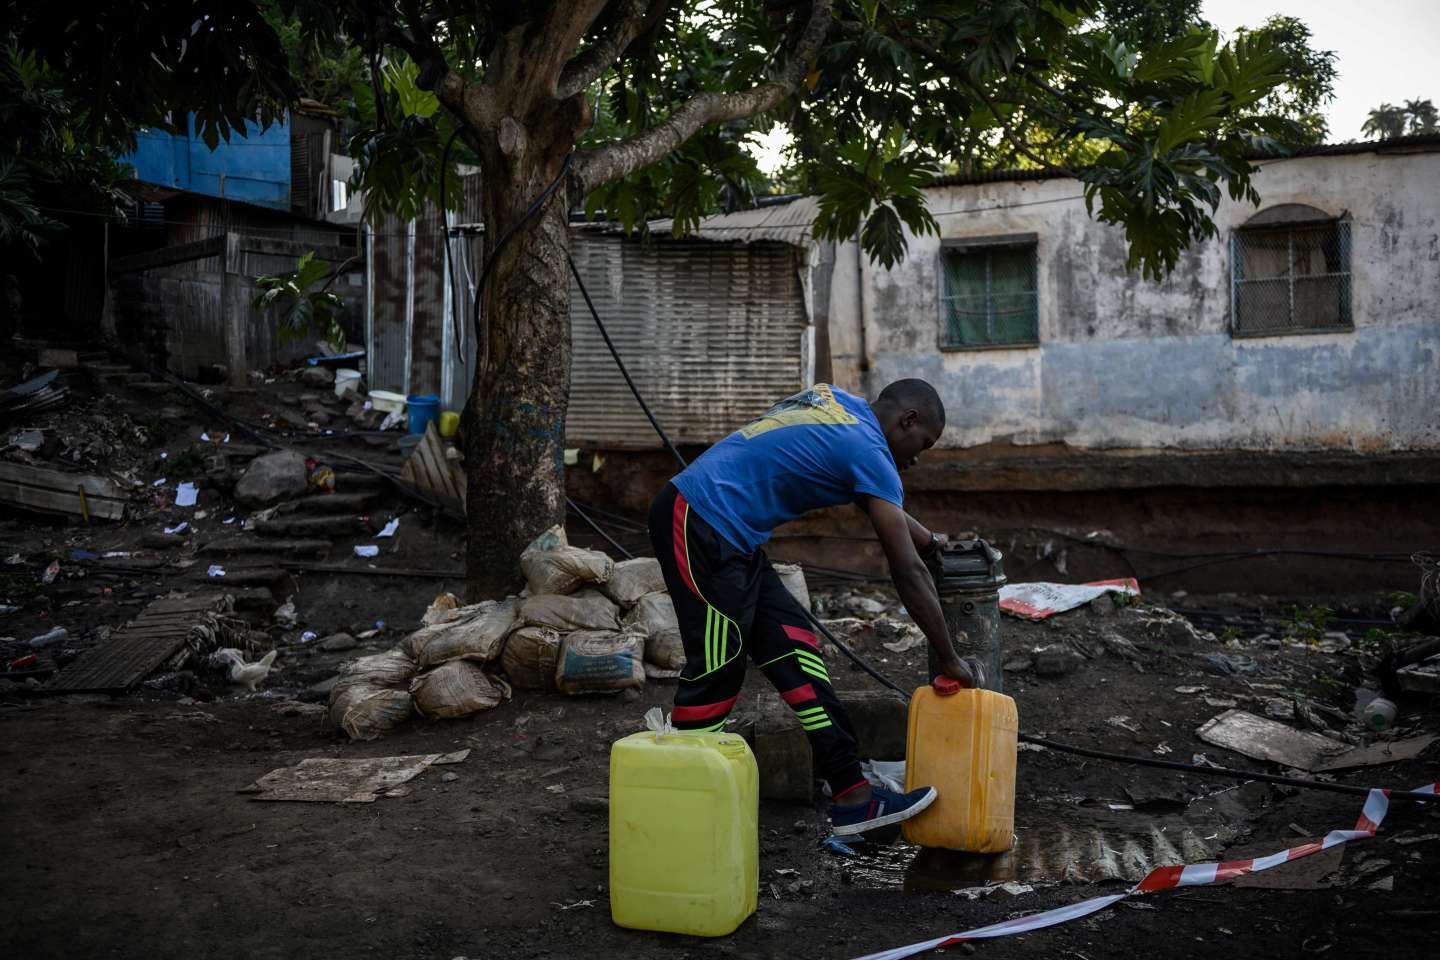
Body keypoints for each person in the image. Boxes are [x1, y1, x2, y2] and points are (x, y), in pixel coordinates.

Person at [648, 379, 985, 836]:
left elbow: (876, 503)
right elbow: (907, 570)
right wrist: (950, 657)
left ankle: (853, 797)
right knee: (718, 664)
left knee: (799, 655)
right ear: (908, 420)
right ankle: (677, 814)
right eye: (921, 443)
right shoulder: (870, 452)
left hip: (737, 536)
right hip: (698, 516)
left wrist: (930, 541)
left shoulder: (840, 404)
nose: (917, 457)